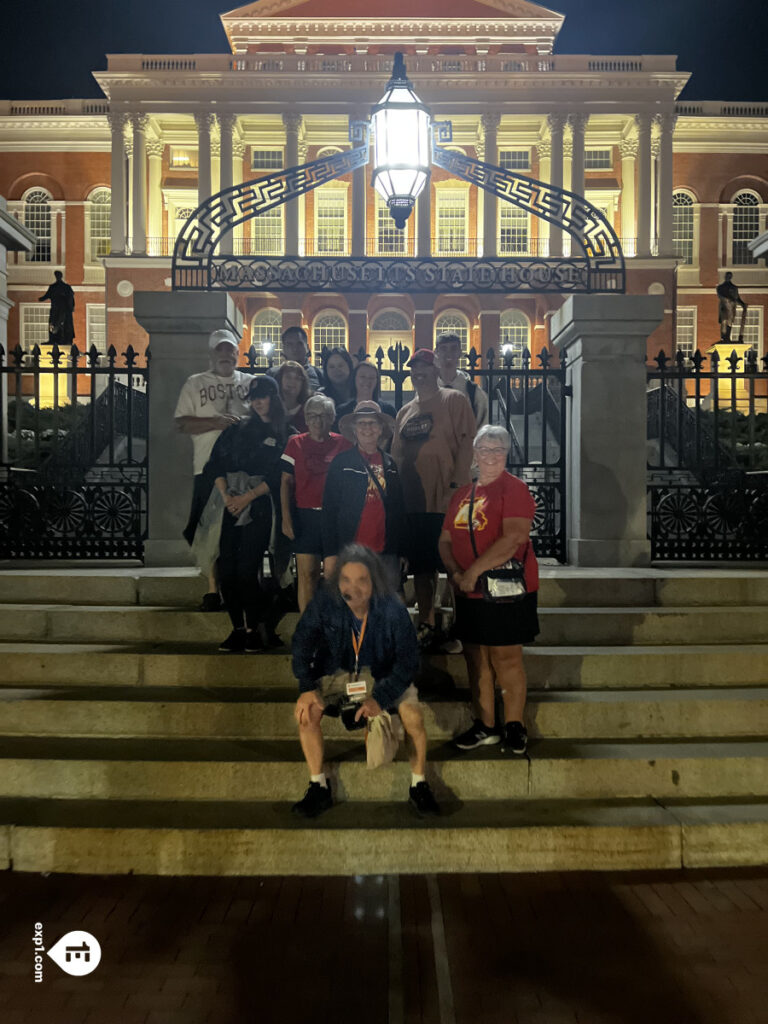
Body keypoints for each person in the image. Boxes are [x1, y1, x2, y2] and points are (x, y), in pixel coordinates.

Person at [291, 544, 439, 819]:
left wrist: (381, 699)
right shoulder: (326, 602)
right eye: (346, 580)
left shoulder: (392, 608)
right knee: (306, 712)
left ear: (374, 581)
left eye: (361, 580)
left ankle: (419, 784)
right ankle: (318, 785)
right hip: (338, 672)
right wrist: (306, 688)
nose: (353, 588)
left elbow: (408, 662)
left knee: (413, 716)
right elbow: (301, 642)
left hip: (383, 673)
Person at [438, 425, 539, 755]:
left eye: (498, 450)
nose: (491, 456)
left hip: (503, 589)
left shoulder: (515, 490)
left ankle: (514, 724)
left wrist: (473, 572)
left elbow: (513, 538)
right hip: (469, 589)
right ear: (475, 454)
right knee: (476, 659)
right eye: (485, 449)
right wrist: (456, 572)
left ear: (506, 455)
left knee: (506, 658)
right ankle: (486, 725)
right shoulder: (461, 495)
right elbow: (445, 540)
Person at [390, 348, 476, 649]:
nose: (419, 372)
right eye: (415, 368)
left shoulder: (455, 400)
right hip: (414, 504)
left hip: (447, 500)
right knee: (423, 569)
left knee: (452, 566)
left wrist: (458, 485)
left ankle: (460, 623)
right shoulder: (405, 412)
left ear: (436, 369)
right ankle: (427, 623)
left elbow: (467, 444)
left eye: (425, 366)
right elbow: (396, 457)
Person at [207, 375, 290, 653]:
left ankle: (255, 628)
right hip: (230, 504)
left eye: (263, 396)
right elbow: (215, 464)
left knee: (247, 570)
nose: (258, 402)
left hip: (260, 505)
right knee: (228, 570)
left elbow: (279, 476)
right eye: (254, 397)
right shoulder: (236, 429)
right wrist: (228, 497)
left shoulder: (283, 433)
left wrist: (247, 497)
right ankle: (237, 629)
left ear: (273, 398)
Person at [176, 329, 251, 611]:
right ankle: (211, 587)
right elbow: (182, 424)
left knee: (240, 528)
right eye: (220, 350)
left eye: (230, 350)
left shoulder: (249, 381)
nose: (225, 355)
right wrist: (216, 423)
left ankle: (243, 584)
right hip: (206, 466)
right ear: (212, 354)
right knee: (208, 529)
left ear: (237, 353)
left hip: (242, 470)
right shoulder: (196, 383)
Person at [322, 401, 405, 587]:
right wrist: (329, 554)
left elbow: (398, 509)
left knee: (384, 608)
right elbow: (329, 510)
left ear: (381, 428)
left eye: (372, 423)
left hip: (385, 551)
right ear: (354, 429)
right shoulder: (341, 463)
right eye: (362, 423)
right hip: (351, 551)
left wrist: (401, 550)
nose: (367, 428)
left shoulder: (390, 464)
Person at [280, 394, 351, 611]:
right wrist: (286, 518)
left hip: (334, 518)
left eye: (323, 416)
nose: (317, 421)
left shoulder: (344, 444)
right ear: (305, 418)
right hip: (305, 516)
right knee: (306, 575)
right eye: (312, 416)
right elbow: (286, 482)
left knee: (335, 576)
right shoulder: (295, 443)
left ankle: (334, 627)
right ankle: (308, 631)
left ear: (332, 418)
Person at [435, 332, 489, 428]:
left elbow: (482, 431)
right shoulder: (427, 390)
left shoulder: (475, 393)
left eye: (453, 348)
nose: (449, 353)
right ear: (436, 352)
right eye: (443, 348)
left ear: (460, 352)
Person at [334, 360, 397, 426]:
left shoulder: (388, 411)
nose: (367, 380)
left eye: (372, 377)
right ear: (354, 379)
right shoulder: (341, 411)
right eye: (362, 377)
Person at [268, 325, 323, 391]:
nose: (295, 349)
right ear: (284, 348)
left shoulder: (320, 374)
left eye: (299, 344)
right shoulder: (273, 374)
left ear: (307, 347)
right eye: (289, 344)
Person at [37, 270, 75, 345]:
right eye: (56, 275)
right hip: (55, 308)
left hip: (63, 310)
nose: (57, 277)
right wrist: (41, 299)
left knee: (63, 324)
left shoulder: (66, 287)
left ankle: (63, 339)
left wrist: (70, 307)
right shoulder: (53, 287)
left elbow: (71, 298)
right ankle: (52, 339)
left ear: (60, 276)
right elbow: (47, 295)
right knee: (52, 323)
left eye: (58, 275)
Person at [274, 359, 310, 433]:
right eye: (288, 377)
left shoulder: (309, 408)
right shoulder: (271, 406)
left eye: (297, 378)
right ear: (280, 379)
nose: (292, 381)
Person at [320, 346, 355, 411]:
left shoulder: (359, 391)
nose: (337, 370)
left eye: (340, 365)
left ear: (349, 366)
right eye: (332, 367)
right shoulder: (322, 396)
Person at [717, 272, 747, 342]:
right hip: (724, 306)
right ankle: (723, 337)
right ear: (725, 276)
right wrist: (728, 299)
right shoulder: (720, 287)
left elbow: (737, 298)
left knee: (730, 322)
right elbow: (720, 296)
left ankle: (727, 337)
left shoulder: (734, 288)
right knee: (724, 321)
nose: (728, 277)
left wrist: (742, 304)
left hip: (732, 307)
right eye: (727, 276)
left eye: (730, 276)